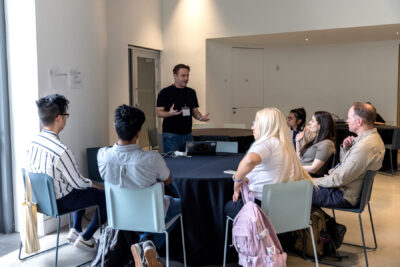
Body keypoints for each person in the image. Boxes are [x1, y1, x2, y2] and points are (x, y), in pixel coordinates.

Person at [97, 104, 182, 267]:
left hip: (118, 216)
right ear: (139, 132)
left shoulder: (102, 156)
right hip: (149, 215)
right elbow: (168, 180)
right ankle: (149, 244)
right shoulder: (152, 158)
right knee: (177, 204)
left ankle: (144, 245)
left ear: (115, 127)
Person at [26, 94, 106, 251]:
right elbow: (78, 182)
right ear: (59, 118)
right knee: (105, 197)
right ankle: (86, 238)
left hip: (39, 201)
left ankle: (75, 229)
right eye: (66, 115)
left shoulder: (32, 143)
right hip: (59, 203)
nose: (66, 119)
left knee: (78, 188)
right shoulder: (61, 151)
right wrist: (93, 185)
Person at [224, 107, 313, 218]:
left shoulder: (266, 143)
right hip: (286, 209)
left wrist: (237, 181)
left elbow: (249, 160)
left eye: (255, 123)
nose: (252, 127)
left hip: (263, 210)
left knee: (228, 206)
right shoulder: (285, 144)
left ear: (264, 125)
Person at [312, 102, 385, 209]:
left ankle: (329, 224)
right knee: (301, 188)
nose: (347, 121)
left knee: (297, 190)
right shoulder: (371, 139)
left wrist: (313, 181)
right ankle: (329, 224)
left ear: (359, 121)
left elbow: (339, 180)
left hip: (344, 195)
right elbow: (346, 165)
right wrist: (346, 149)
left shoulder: (364, 146)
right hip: (346, 189)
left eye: (349, 118)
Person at [156, 64, 210, 153]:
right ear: (175, 76)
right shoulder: (165, 92)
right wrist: (170, 113)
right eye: (183, 76)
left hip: (188, 135)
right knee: (173, 163)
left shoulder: (191, 92)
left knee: (191, 162)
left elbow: (195, 111)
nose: (186, 78)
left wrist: (200, 117)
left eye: (187, 75)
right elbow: (159, 112)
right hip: (171, 136)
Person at [296, 111, 336, 177]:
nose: (309, 123)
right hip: (300, 175)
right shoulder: (316, 141)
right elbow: (300, 160)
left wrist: (294, 168)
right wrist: (297, 141)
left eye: (312, 121)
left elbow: (313, 169)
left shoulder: (326, 144)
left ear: (321, 125)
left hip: (307, 178)